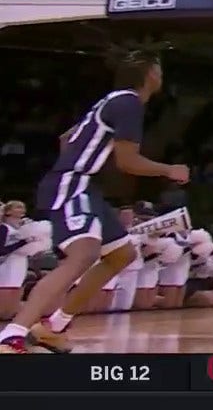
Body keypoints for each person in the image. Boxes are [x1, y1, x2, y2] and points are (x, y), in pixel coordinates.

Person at [0, 49, 190, 353]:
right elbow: (128, 162)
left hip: (84, 185)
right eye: (160, 70)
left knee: (122, 255)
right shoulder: (129, 102)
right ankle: (13, 333)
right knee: (83, 255)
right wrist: (170, 169)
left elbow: (66, 138)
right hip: (74, 184)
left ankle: (55, 326)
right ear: (151, 74)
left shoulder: (113, 101)